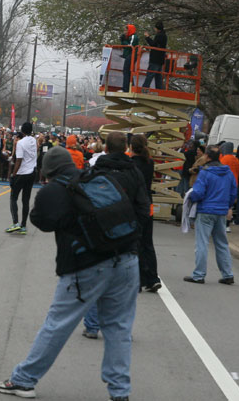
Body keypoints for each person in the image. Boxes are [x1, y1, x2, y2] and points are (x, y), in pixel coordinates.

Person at [0, 137, 146, 401]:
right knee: (119, 328)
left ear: (48, 171)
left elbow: (42, 221)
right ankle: (119, 392)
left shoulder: (55, 190)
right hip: (126, 258)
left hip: (87, 265)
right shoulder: (99, 177)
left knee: (58, 324)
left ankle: (23, 380)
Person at [82, 131, 151, 339]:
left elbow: (83, 201)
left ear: (106, 148)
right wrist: (136, 229)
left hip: (99, 233)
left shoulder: (95, 170)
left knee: (95, 282)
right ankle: (120, 328)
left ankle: (92, 326)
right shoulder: (134, 172)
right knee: (124, 288)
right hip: (127, 234)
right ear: (126, 148)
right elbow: (143, 205)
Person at [184, 145, 237, 284]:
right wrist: (227, 206)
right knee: (222, 243)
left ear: (206, 157)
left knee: (202, 243)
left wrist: (191, 198)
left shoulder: (205, 173)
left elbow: (199, 192)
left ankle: (199, 275)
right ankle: (227, 274)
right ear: (220, 157)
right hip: (221, 211)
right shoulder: (228, 172)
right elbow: (233, 192)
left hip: (206, 210)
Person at [130, 134, 162, 292]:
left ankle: (139, 279)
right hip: (148, 204)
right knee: (148, 243)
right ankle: (153, 277)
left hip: (136, 206)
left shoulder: (131, 165)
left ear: (131, 147)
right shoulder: (149, 163)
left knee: (136, 243)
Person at [5, 123, 37, 235]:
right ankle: (23, 225)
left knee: (13, 197)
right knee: (26, 199)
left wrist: (13, 175)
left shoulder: (20, 143)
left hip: (22, 172)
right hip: (32, 172)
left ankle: (15, 223)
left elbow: (18, 160)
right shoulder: (34, 140)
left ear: (22, 131)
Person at [142, 21, 168, 89]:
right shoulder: (164, 35)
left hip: (155, 58)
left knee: (150, 74)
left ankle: (145, 88)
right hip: (160, 59)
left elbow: (153, 44)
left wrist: (147, 37)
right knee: (158, 76)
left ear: (157, 28)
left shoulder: (159, 35)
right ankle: (160, 90)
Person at [120, 24, 140, 92]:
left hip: (132, 55)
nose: (124, 32)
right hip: (129, 55)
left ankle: (126, 88)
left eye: (125, 30)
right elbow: (125, 46)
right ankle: (130, 87)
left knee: (126, 71)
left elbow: (130, 46)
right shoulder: (129, 37)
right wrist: (122, 41)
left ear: (129, 30)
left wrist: (124, 41)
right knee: (128, 71)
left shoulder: (134, 36)